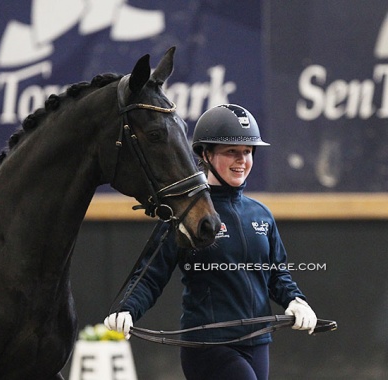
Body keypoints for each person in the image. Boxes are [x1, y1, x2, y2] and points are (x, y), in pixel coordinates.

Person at [104, 104, 317, 380]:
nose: (242, 160)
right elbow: (150, 274)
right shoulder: (188, 213)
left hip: (258, 343)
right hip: (208, 347)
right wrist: (128, 309)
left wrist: (296, 300)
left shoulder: (261, 214)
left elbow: (277, 274)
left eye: (247, 152)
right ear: (205, 154)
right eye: (231, 152)